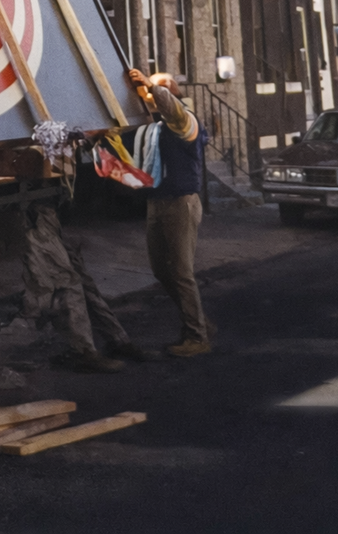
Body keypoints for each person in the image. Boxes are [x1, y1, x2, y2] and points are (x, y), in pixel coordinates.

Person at [127, 69, 212, 357]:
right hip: (157, 201)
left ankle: (197, 336)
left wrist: (151, 85)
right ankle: (197, 320)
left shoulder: (184, 121)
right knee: (162, 270)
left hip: (180, 203)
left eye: (158, 91)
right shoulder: (154, 128)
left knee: (181, 272)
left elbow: (169, 106)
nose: (149, 96)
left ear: (172, 93)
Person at [20, 203, 154, 373]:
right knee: (64, 278)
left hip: (46, 208)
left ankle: (116, 340)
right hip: (34, 211)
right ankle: (84, 350)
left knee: (81, 280)